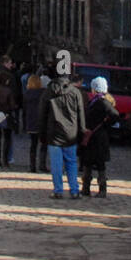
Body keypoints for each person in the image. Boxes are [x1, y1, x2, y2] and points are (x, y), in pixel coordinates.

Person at [39, 68, 87, 200]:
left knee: (56, 164)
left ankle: (58, 190)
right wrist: (82, 131)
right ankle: (74, 190)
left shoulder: (48, 92)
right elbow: (80, 114)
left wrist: (42, 133)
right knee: (71, 162)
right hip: (71, 133)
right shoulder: (75, 92)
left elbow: (42, 114)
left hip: (53, 133)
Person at [79, 77, 119, 198]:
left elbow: (115, 115)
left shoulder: (102, 102)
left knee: (98, 163)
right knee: (88, 162)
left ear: (96, 89)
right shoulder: (96, 101)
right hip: (93, 137)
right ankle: (86, 188)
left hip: (98, 137)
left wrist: (105, 125)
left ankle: (102, 189)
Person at [22, 73, 48, 173]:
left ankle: (32, 166)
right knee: (43, 144)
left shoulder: (27, 94)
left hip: (31, 122)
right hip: (42, 122)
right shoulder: (44, 93)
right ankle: (42, 165)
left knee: (33, 145)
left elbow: (24, 109)